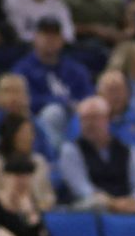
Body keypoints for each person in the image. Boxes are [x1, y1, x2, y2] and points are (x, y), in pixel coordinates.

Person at [58, 96, 135, 214]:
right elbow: (82, 189)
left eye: (94, 118)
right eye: (84, 119)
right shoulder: (71, 151)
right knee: (93, 204)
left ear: (107, 119)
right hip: (96, 207)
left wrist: (134, 201)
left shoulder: (127, 150)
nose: (89, 124)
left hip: (128, 203)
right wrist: (112, 203)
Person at [10, 17, 93, 151]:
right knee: (53, 113)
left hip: (73, 118)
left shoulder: (75, 69)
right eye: (45, 34)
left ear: (61, 40)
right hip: (38, 123)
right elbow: (26, 101)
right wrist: (60, 101)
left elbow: (88, 96)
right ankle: (55, 155)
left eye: (55, 35)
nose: (50, 39)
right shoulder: (23, 69)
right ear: (35, 38)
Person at [0, 114, 55, 211]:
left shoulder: (38, 162)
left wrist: (33, 208)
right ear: (11, 135)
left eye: (31, 133)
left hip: (34, 213)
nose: (31, 138)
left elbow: (48, 197)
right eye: (25, 133)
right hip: (0, 214)